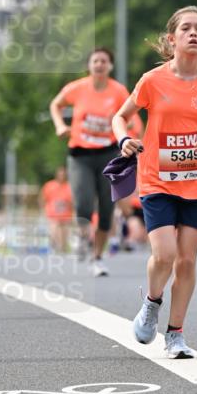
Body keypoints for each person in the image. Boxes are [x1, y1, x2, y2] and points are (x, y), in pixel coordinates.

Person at [112, 6, 197, 359]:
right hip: (158, 180)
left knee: (187, 261)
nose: (193, 33)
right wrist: (124, 139)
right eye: (186, 28)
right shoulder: (152, 81)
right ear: (172, 38)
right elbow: (120, 116)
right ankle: (152, 302)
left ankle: (175, 334)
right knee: (164, 255)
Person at [49, 48, 139, 276]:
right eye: (95, 61)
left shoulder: (118, 91)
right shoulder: (77, 88)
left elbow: (131, 116)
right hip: (80, 155)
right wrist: (60, 125)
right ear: (89, 65)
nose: (99, 64)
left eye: (104, 61)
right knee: (84, 203)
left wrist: (128, 129)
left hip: (108, 154)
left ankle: (97, 257)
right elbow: (56, 105)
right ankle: (82, 236)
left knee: (107, 209)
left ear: (110, 66)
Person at [39, 166, 74, 252]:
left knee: (64, 235)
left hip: (66, 216)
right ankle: (54, 247)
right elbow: (42, 199)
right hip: (53, 215)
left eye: (63, 174)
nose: (62, 176)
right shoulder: (49, 185)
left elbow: (73, 202)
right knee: (54, 231)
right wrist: (43, 210)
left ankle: (62, 250)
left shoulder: (69, 187)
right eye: (60, 174)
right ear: (57, 175)